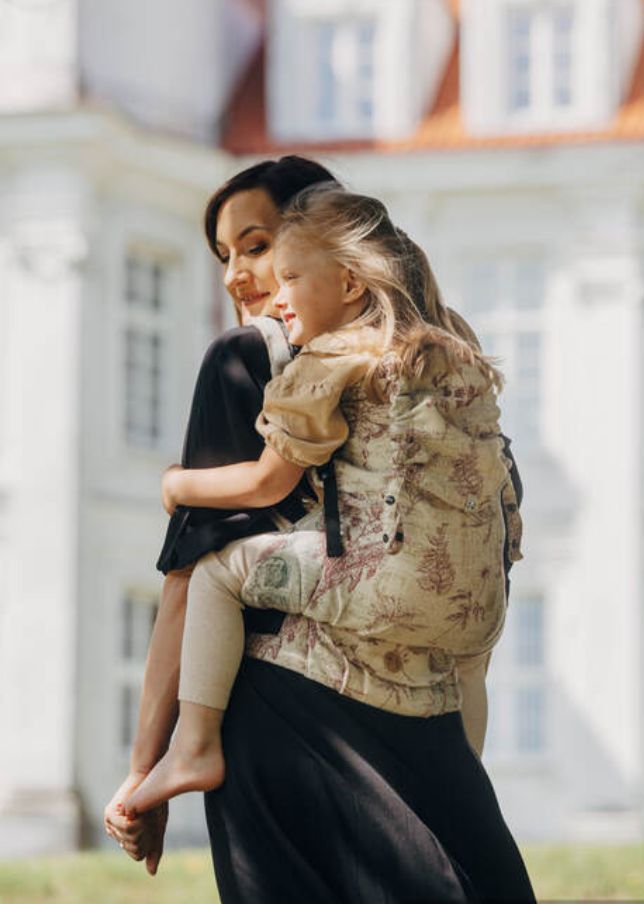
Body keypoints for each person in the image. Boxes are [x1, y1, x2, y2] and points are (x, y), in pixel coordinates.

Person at [107, 174, 533, 903]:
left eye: (265, 247)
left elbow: (192, 571)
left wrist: (153, 763)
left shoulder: (253, 357)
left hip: (292, 718)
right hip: (432, 703)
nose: (247, 276)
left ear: (350, 269)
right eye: (224, 255)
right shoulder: (444, 347)